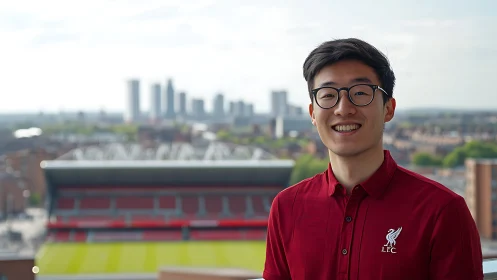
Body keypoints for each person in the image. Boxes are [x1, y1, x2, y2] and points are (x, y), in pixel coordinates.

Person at [263, 38, 483, 280]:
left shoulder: (442, 211)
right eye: (327, 95)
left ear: (388, 108)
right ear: (313, 113)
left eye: (360, 93)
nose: (343, 108)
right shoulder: (286, 207)